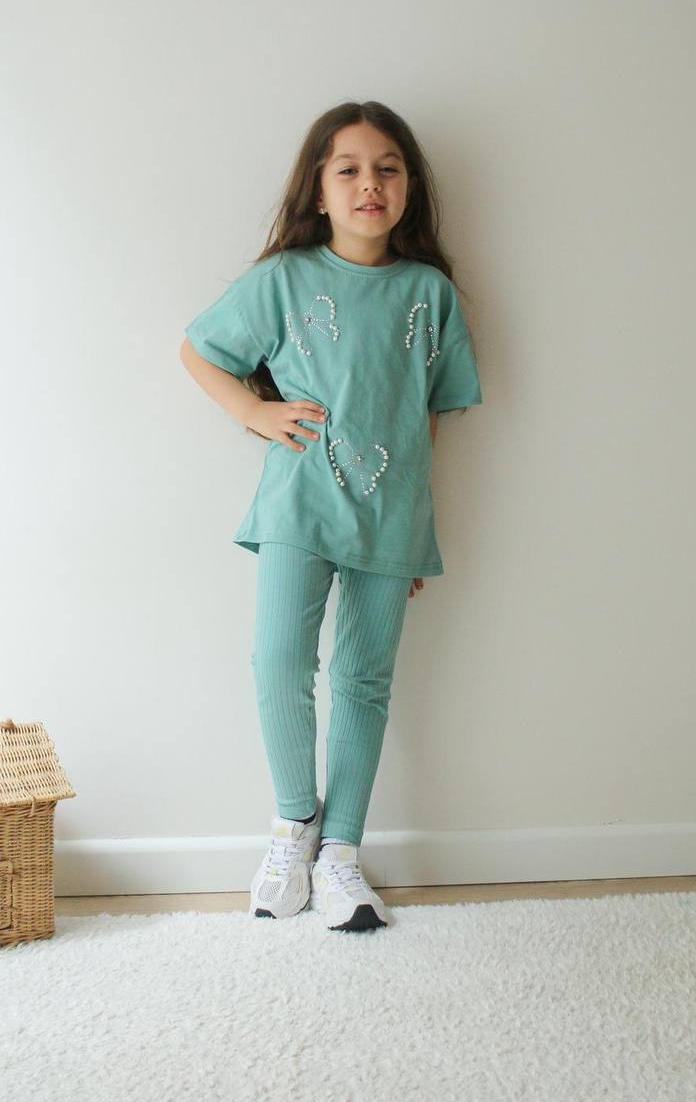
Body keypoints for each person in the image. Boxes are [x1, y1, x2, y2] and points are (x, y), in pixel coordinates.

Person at [180, 100, 482, 932]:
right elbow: (199, 350)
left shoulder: (429, 293)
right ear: (319, 189)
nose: (369, 183)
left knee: (363, 679)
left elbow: (427, 416)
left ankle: (341, 851)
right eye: (348, 169)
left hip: (391, 514)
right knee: (279, 660)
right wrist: (253, 412)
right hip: (298, 501)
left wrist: (415, 526)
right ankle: (295, 825)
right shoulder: (283, 278)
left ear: (409, 187)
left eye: (387, 168)